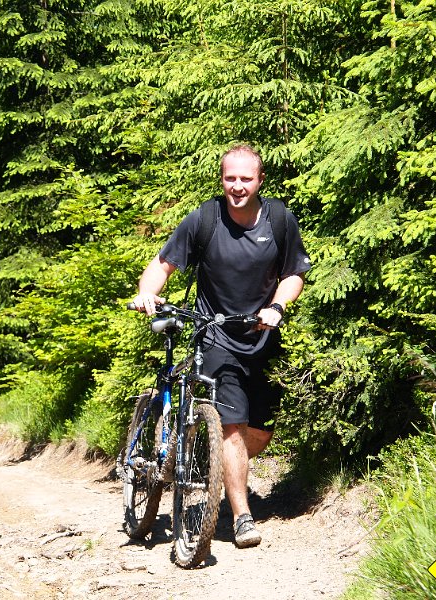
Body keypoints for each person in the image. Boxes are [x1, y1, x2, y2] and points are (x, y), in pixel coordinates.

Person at [132, 144, 311, 548]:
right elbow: (162, 267)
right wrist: (146, 293)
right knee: (232, 426)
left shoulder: (280, 219)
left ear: (260, 180)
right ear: (222, 179)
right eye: (230, 178)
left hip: (262, 337)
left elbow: (294, 273)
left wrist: (277, 306)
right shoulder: (204, 219)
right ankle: (242, 516)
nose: (237, 186)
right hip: (214, 336)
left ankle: (212, 465)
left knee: (259, 433)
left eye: (246, 178)